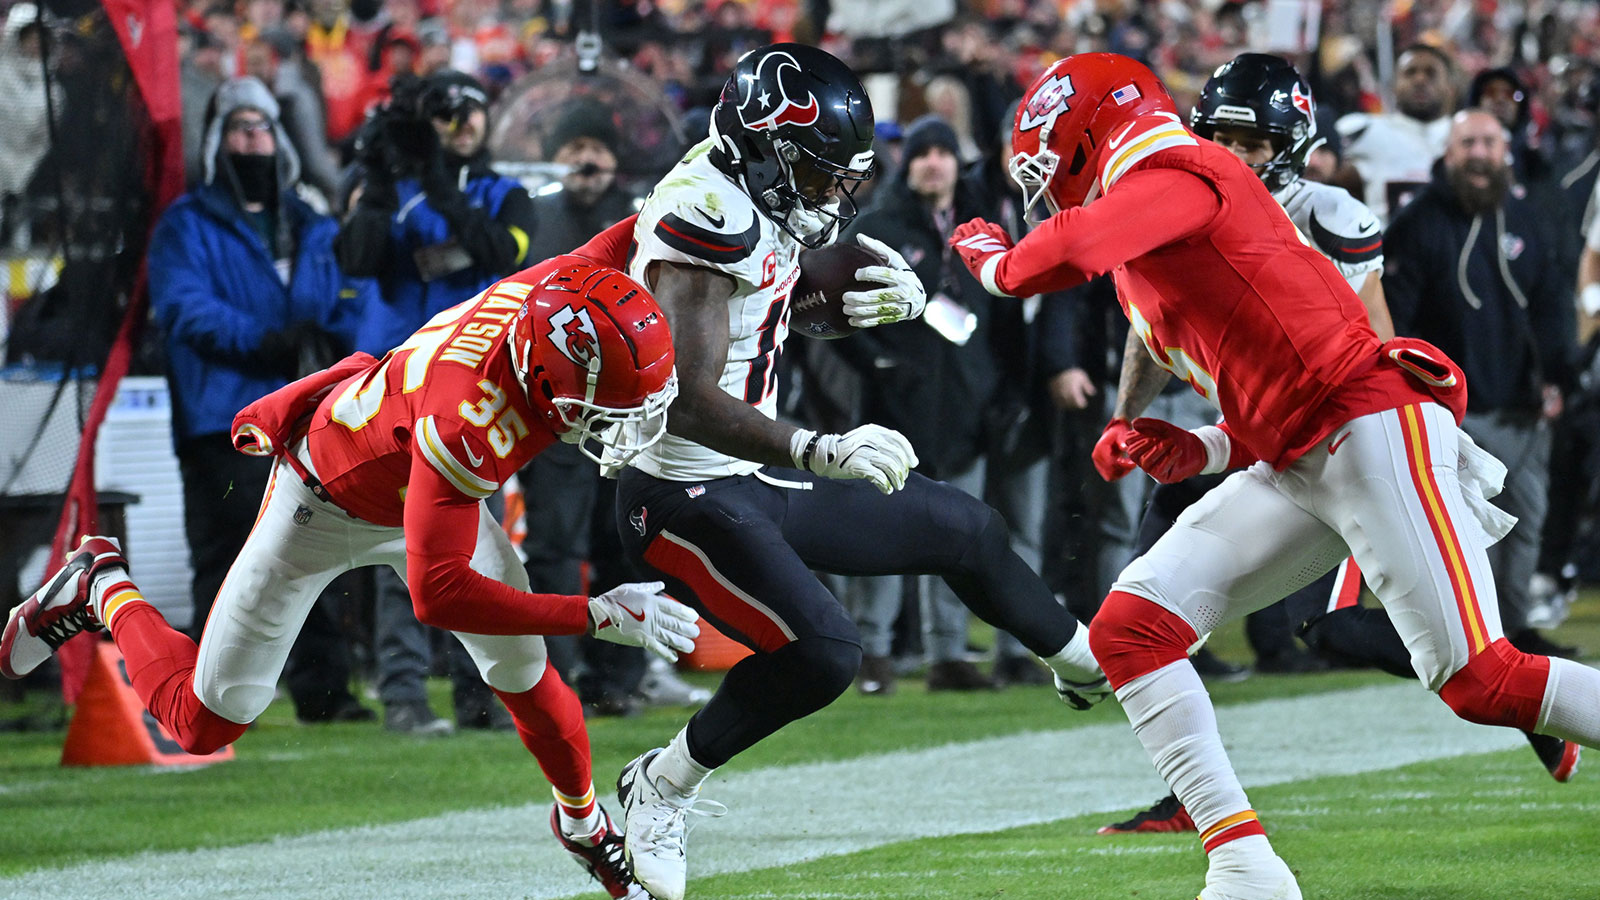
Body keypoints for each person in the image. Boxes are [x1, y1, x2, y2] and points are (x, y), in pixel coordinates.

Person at [950, 53, 1600, 900]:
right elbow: (1265, 370)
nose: (1047, 185)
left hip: (1370, 430)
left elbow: (1074, 246)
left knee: (1481, 681)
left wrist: (997, 264)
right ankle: (1245, 865)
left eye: (1049, 160)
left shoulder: (1183, 166)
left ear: (1083, 136)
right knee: (1129, 630)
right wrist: (1201, 450)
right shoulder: (1168, 209)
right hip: (1300, 451)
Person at [2, 250, 693, 900]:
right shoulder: (467, 418)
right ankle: (100, 584)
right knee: (204, 722)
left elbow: (635, 233)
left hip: (428, 489)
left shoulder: (560, 289)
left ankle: (582, 826)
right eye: (604, 408)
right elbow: (438, 593)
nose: (617, 426)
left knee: (525, 672)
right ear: (547, 378)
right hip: (322, 503)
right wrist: (597, 614)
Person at [603, 44, 1109, 900]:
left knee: (967, 528)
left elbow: (761, 314)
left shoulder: (759, 191)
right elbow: (689, 397)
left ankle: (1084, 662)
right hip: (678, 492)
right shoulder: (702, 210)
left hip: (746, 474)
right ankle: (661, 785)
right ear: (767, 148)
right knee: (826, 653)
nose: (835, 192)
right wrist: (818, 446)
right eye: (821, 172)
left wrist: (847, 306)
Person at [1094, 54, 1579, 836]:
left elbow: (1370, 348)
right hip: (1225, 440)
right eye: (1217, 133)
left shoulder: (1328, 215)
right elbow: (1148, 328)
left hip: (1324, 441)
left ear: (1291, 143)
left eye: (1250, 140)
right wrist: (1124, 421)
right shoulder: (1178, 195)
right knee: (1144, 611)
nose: (1232, 151)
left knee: (1359, 633)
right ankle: (1193, 793)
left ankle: (1526, 697)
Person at [144, 76, 376, 724]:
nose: (256, 140)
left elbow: (345, 298)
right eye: (242, 128)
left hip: (305, 415)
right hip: (222, 416)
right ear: (220, 140)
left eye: (264, 127)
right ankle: (193, 696)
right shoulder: (185, 224)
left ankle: (323, 693)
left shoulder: (312, 223)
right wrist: (269, 342)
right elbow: (184, 309)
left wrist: (335, 343)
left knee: (310, 549)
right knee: (224, 556)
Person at [337, 68, 542, 734]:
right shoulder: (383, 192)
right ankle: (402, 693)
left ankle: (480, 697)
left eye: (473, 109)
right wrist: (377, 179)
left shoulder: (507, 193)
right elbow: (357, 261)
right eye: (448, 112)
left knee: (481, 550)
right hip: (394, 391)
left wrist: (432, 182)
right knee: (400, 545)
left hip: (475, 394)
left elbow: (498, 253)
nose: (464, 122)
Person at [1384, 108, 1579, 660]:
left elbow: (1551, 305)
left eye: (1489, 143)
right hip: (1454, 413)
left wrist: (1557, 375)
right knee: (1473, 530)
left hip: (1523, 407)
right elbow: (1392, 320)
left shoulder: (1527, 218)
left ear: (1506, 152)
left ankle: (1514, 631)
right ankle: (1484, 637)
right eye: (1467, 142)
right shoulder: (1417, 223)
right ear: (1448, 152)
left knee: (1527, 521)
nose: (1478, 153)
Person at [1334, 43, 1455, 223]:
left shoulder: (1469, 135)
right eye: (1410, 72)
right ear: (1394, 85)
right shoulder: (1364, 129)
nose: (1420, 80)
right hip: (1382, 246)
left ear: (1450, 87)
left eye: (1431, 73)